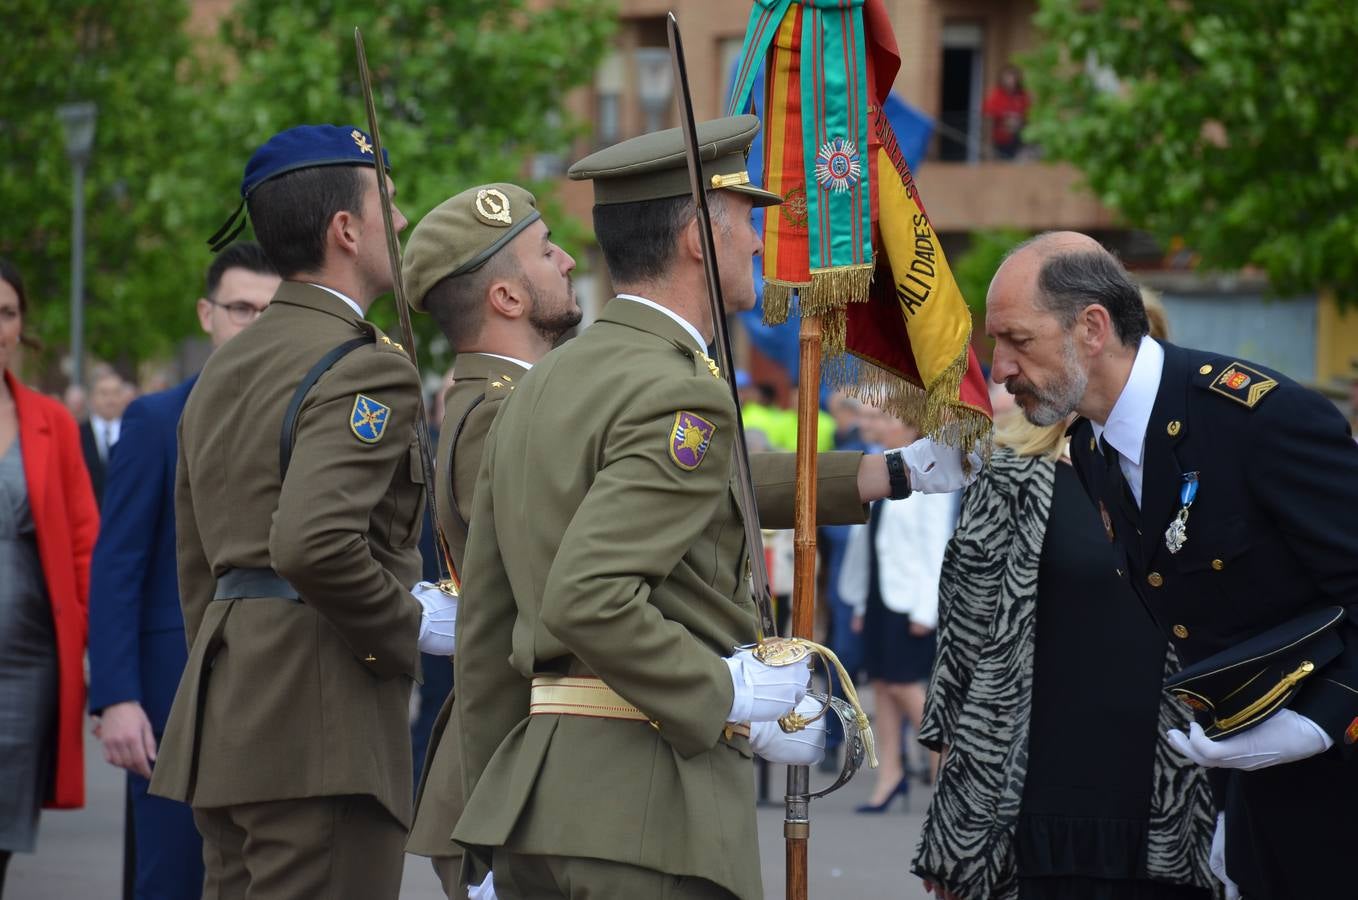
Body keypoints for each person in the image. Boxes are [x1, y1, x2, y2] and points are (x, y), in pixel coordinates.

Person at [450, 115, 981, 900]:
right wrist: (730, 696)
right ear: (700, 232)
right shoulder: (679, 387)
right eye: (746, 218)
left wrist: (885, 473)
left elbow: (487, 624)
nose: (762, 241)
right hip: (650, 814)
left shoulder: (543, 385)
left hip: (536, 804)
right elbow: (588, 597)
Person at [986, 230, 1358, 899]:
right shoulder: (1096, 452)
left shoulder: (1256, 419)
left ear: (1092, 328)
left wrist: (1319, 721)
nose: (998, 368)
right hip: (1256, 793)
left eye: (1017, 339)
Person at [147, 125, 457, 899]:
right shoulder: (365, 367)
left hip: (232, 718)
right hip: (323, 731)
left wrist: (242, 677)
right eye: (387, 203)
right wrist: (408, 627)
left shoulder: (226, 367)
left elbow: (202, 570)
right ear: (344, 231)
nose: (405, 219)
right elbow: (314, 542)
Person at [914, 298, 1216, 899]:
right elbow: (962, 655)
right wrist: (955, 828)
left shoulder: (1199, 477)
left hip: (1171, 804)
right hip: (1034, 805)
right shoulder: (1009, 476)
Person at [400, 182, 580, 896]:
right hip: (513, 773)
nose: (566, 259)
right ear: (505, 298)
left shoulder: (509, 403)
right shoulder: (495, 417)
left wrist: (880, 476)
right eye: (545, 250)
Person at [87, 241, 279, 900]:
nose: (254, 323)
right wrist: (115, 698)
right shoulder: (155, 419)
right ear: (207, 314)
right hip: (169, 707)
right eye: (240, 308)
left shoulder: (306, 420)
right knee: (170, 880)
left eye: (271, 310)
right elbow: (118, 565)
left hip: (275, 704)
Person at [0, 258, 98, 892]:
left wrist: (110, 675)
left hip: (24, 671)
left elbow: (87, 548)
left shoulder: (50, 421)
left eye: (6, 312)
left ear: (21, 327)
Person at [842, 408, 958, 812]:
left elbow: (936, 546)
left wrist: (927, 610)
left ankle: (951, 767)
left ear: (910, 426)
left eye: (886, 418)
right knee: (883, 685)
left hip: (910, 600)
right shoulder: (878, 467)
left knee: (904, 683)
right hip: (878, 594)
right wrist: (858, 600)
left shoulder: (926, 468)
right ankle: (890, 777)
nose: (876, 424)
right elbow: (866, 545)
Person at [79, 367, 130, 507]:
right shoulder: (78, 435)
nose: (111, 399)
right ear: (91, 397)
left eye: (116, 393)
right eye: (104, 393)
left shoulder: (132, 434)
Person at [983, 64, 1031, 161]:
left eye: (1013, 77)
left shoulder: (1023, 96)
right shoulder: (996, 95)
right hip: (1001, 141)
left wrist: (1020, 122)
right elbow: (988, 118)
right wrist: (988, 144)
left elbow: (1030, 115)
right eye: (1007, 77)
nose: (1010, 80)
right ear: (1002, 79)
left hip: (1020, 140)